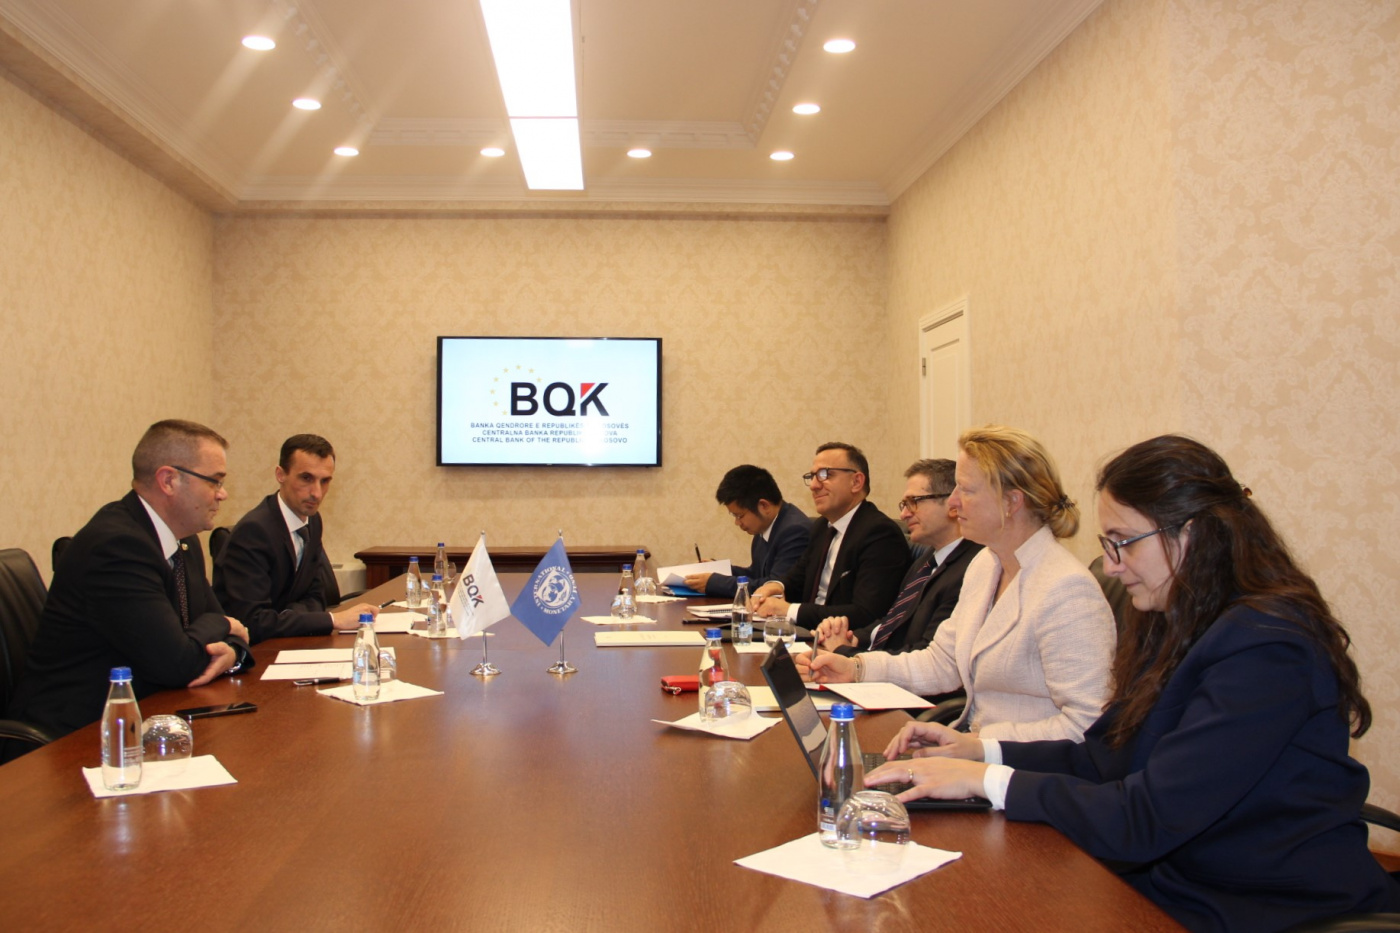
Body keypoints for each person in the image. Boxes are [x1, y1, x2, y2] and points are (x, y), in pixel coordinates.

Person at [868, 435, 1400, 932]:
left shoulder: (1268, 646)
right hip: (1175, 878)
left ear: (1193, 533)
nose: (1112, 566)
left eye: (1124, 542)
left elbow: (1147, 818)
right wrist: (980, 758)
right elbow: (1104, 757)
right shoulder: (1181, 619)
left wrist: (989, 783)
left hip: (1261, 904)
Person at [802, 426, 1114, 741]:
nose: (953, 502)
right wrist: (856, 669)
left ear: (1011, 501)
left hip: (1018, 764)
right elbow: (943, 662)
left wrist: (977, 745)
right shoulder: (986, 564)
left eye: (964, 489)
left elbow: (1086, 725)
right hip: (973, 750)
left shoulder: (1066, 590)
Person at [6, 420, 252, 746]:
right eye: (215, 481)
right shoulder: (117, 546)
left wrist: (231, 649)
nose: (223, 494)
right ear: (169, 480)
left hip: (148, 714)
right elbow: (177, 662)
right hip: (73, 737)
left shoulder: (183, 541)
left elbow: (231, 637)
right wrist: (221, 624)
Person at [214, 434, 378, 643]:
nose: (317, 493)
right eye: (306, 478)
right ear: (280, 474)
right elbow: (253, 621)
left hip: (290, 639)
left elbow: (316, 595)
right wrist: (332, 620)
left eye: (325, 481)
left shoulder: (313, 521)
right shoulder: (254, 531)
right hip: (256, 649)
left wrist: (289, 616)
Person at [812, 458, 981, 656]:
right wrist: (853, 638)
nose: (904, 515)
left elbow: (929, 656)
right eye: (904, 504)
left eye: (913, 502)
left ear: (952, 504)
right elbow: (892, 620)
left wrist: (846, 653)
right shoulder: (927, 561)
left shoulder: (972, 569)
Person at [748, 442, 909, 632]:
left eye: (825, 474)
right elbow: (797, 578)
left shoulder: (880, 534)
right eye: (812, 476)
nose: (814, 485)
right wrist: (776, 586)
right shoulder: (822, 527)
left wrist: (789, 610)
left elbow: (866, 613)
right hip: (808, 632)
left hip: (841, 642)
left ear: (856, 482)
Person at [683, 464, 811, 598]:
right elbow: (756, 575)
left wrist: (714, 582)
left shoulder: (795, 532)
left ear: (764, 506)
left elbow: (773, 587)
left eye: (740, 516)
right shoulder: (764, 527)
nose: (737, 523)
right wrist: (719, 569)